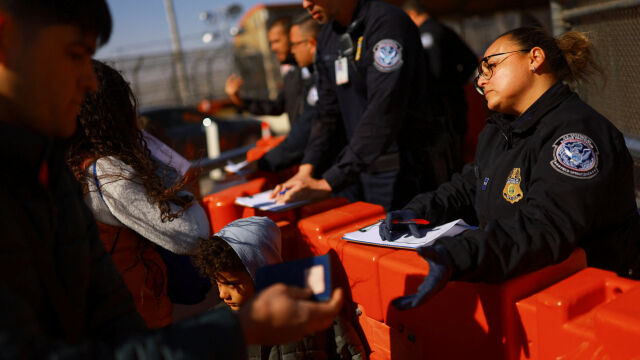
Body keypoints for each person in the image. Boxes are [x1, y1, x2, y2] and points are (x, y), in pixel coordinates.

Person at [0, 1, 344, 358]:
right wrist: (241, 329)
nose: (87, 81)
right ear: (5, 37)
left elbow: (113, 316)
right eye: (74, 55)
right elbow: (191, 232)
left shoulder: (46, 168)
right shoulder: (100, 171)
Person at [380, 27, 640, 310]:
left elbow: (544, 227)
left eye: (490, 66)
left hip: (590, 303)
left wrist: (461, 254)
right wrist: (419, 211)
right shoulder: (502, 129)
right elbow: (473, 183)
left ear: (534, 59)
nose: (480, 79)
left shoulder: (576, 136)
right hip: (525, 294)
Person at [65, 60, 210, 328]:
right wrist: (159, 167)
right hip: (137, 323)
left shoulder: (70, 166)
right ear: (114, 111)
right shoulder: (107, 173)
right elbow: (191, 235)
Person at [273, 0, 453, 211]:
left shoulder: (386, 23)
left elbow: (384, 108)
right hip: (360, 169)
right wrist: (307, 169)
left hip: (408, 169)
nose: (305, 4)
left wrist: (330, 181)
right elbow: (326, 113)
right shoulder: (328, 37)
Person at [192, 217, 366, 359]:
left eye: (233, 284)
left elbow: (351, 353)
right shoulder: (219, 323)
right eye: (218, 282)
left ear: (261, 272)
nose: (222, 294)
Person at [257, 14, 341, 175]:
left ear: (310, 43)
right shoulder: (298, 73)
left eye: (294, 43)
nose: (292, 48)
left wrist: (265, 163)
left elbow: (311, 127)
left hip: (330, 165)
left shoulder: (320, 74)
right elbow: (278, 105)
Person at [403, 0, 478, 170]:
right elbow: (471, 61)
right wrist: (456, 83)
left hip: (444, 108)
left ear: (413, 15)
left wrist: (447, 86)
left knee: (448, 157)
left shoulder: (428, 34)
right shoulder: (444, 29)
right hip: (453, 103)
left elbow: (434, 73)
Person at [225, 16, 305, 126]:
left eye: (277, 41)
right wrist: (240, 100)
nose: (273, 48)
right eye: (271, 43)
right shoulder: (291, 73)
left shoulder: (313, 70)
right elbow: (276, 107)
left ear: (292, 38)